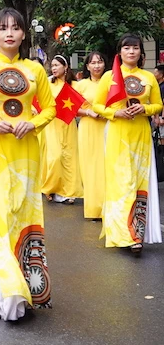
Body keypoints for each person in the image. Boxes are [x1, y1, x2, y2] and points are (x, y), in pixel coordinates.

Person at [0, 8, 55, 321]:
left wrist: (32, 123)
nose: (9, 33)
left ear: (23, 34)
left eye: (15, 28)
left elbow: (50, 108)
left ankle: (27, 285)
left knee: (23, 212)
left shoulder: (35, 69)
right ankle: (7, 291)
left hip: (27, 152)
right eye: (3, 28)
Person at [92, 34, 163, 254]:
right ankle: (123, 234)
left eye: (135, 48)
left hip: (141, 134)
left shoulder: (148, 78)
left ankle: (137, 233)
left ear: (141, 52)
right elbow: (97, 106)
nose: (131, 52)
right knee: (121, 182)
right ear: (119, 52)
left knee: (139, 181)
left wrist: (146, 109)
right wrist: (116, 112)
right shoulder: (109, 76)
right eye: (127, 48)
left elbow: (158, 105)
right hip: (117, 134)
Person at [40, 55, 83, 204]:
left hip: (69, 124)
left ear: (65, 67)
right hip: (52, 125)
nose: (54, 68)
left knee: (69, 158)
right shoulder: (48, 83)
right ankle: (50, 187)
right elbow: (39, 101)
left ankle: (67, 193)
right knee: (55, 157)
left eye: (57, 65)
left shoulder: (75, 86)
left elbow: (81, 106)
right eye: (52, 65)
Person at [75, 52, 107, 219]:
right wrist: (88, 112)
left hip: (108, 127)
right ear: (87, 66)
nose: (96, 66)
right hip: (88, 127)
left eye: (100, 62)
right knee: (90, 166)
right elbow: (70, 107)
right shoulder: (81, 85)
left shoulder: (111, 82)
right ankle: (94, 208)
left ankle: (109, 207)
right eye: (93, 63)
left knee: (106, 165)